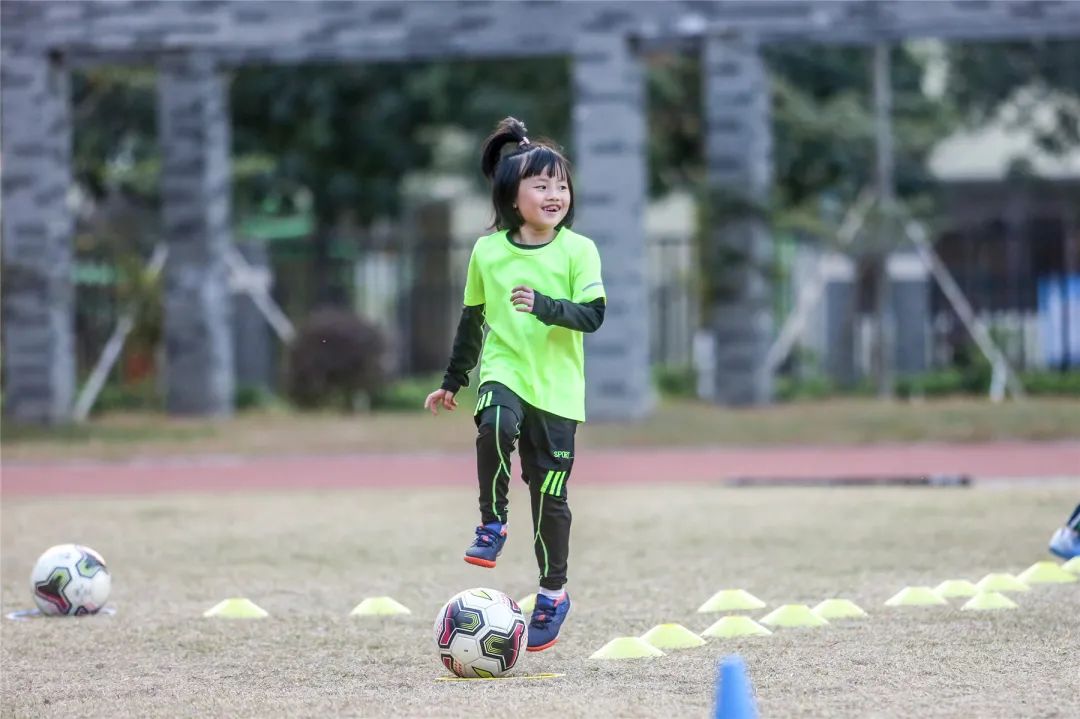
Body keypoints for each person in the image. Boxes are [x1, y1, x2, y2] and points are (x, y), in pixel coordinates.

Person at [424, 117, 606, 652]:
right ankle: (492, 524)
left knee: (550, 498)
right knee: (495, 423)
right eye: (542, 185)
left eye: (562, 185)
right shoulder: (488, 252)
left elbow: (593, 316)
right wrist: (453, 381)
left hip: (558, 391)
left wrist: (546, 306)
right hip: (505, 370)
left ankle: (552, 594)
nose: (555, 194)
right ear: (512, 194)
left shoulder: (580, 250)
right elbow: (472, 320)